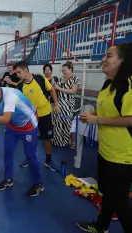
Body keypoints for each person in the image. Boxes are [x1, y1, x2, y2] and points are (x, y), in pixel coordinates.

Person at [77, 43, 132, 233]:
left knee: (121, 203)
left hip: (123, 155)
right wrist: (91, 114)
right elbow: (105, 109)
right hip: (105, 151)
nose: (103, 59)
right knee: (107, 193)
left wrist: (97, 119)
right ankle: (102, 226)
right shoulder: (108, 83)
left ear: (123, 61)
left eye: (109, 56)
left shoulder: (129, 85)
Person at [0, 80, 43, 197]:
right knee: (8, 152)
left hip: (28, 126)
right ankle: (8, 179)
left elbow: (4, 119)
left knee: (30, 156)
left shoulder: (10, 96)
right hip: (13, 126)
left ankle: (38, 183)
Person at [14, 61, 60, 171]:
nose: (17, 75)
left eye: (19, 72)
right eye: (16, 73)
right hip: (31, 116)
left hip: (45, 112)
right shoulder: (20, 86)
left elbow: (51, 89)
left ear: (25, 70)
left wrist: (57, 104)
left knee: (47, 138)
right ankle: (30, 158)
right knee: (28, 138)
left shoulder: (39, 78)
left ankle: (48, 160)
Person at [52, 61, 80, 147]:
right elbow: (55, 89)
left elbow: (73, 91)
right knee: (58, 122)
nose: (64, 72)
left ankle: (68, 141)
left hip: (68, 103)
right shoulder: (61, 79)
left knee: (67, 122)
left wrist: (59, 88)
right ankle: (57, 141)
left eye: (65, 70)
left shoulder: (75, 79)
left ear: (70, 69)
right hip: (59, 103)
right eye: (62, 71)